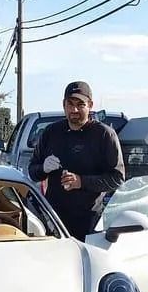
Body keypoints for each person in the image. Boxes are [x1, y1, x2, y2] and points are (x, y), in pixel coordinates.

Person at [28, 81, 125, 240]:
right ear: (64, 105)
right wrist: (43, 168)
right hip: (54, 219)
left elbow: (117, 178)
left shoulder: (104, 135)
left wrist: (81, 182)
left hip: (89, 221)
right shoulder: (51, 132)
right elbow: (32, 172)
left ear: (90, 105)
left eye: (80, 105)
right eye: (70, 104)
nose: (74, 110)